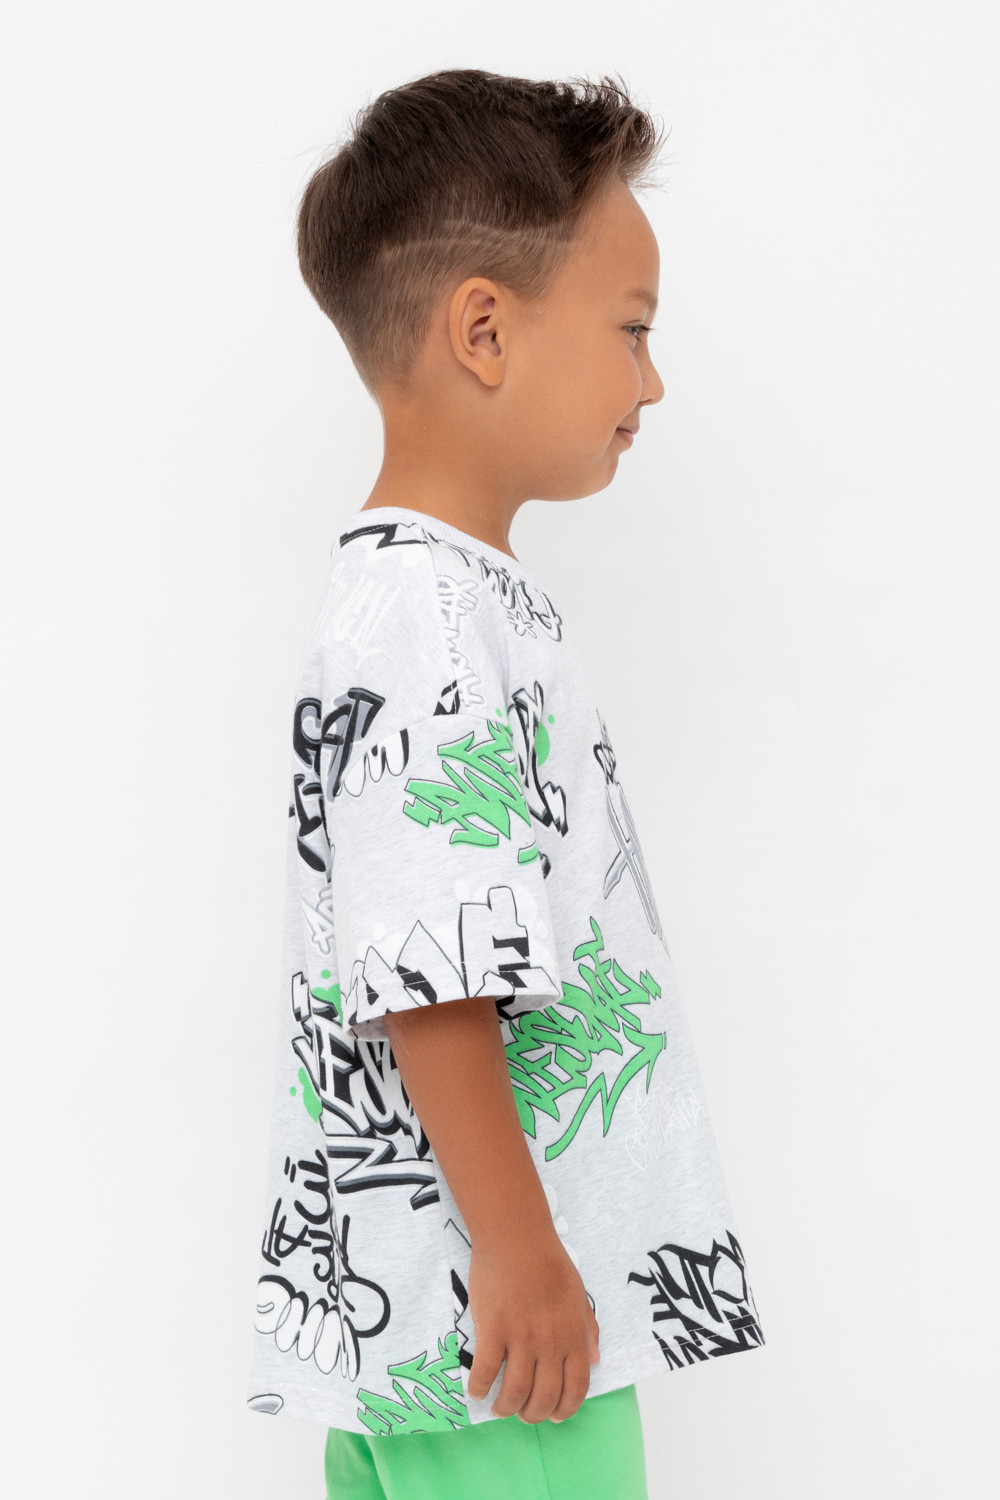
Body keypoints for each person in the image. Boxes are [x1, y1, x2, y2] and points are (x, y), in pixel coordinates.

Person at [246, 67, 765, 1500]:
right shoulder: (428, 614)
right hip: (503, 1341)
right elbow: (430, 967)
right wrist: (525, 1254)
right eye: (632, 328)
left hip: (446, 1328)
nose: (651, 381)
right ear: (484, 329)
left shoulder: (442, 598)